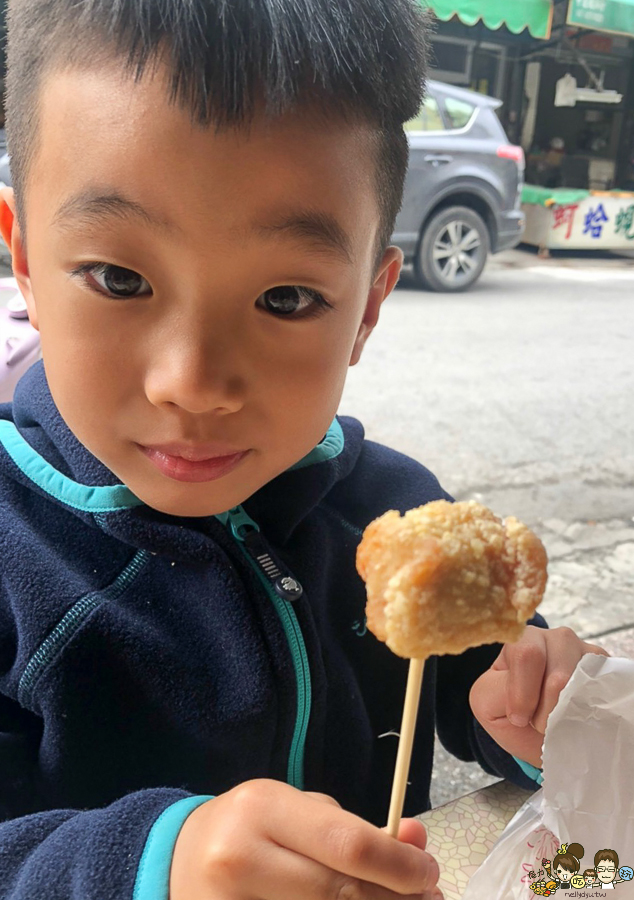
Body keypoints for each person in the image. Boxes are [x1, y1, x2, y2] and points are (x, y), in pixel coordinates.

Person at [0, 1, 609, 898]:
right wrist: (155, 864)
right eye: (120, 278)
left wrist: (539, 706)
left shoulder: (390, 512)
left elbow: (483, 689)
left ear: (367, 306)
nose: (194, 382)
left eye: (287, 297)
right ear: (22, 260)